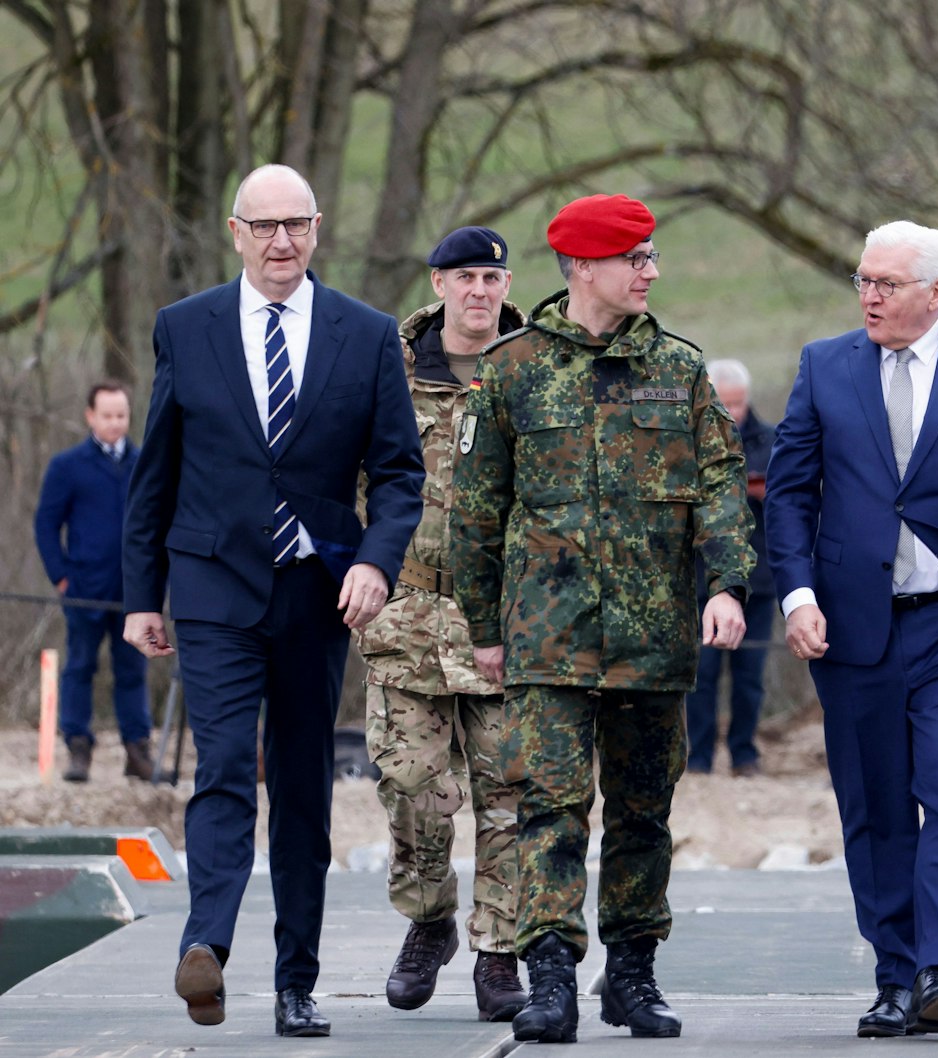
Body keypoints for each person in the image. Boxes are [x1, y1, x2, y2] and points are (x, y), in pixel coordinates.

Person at [121, 163, 425, 1037]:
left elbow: (400, 474)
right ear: (236, 232)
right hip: (214, 585)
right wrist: (145, 595)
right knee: (221, 767)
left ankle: (298, 981)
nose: (282, 241)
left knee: (303, 788)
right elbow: (157, 472)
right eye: (266, 226)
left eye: (297, 224)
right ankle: (206, 947)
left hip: (318, 591)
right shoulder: (186, 328)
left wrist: (376, 561)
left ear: (318, 228)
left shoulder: (365, 336)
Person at [452, 193, 754, 1045]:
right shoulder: (512, 370)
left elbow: (723, 488)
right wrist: (482, 629)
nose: (650, 272)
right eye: (635, 258)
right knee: (549, 810)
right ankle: (551, 977)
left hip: (653, 638)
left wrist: (728, 583)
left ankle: (632, 973)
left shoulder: (680, 371)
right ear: (585, 266)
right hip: (546, 637)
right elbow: (476, 511)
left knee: (642, 813)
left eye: (652, 257)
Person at [765, 221, 938, 1038]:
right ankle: (894, 973)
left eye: (887, 283)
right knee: (876, 803)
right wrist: (796, 596)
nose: (870, 296)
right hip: (852, 625)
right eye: (863, 280)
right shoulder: (825, 366)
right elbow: (787, 495)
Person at [358, 226, 528, 1021]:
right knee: (412, 786)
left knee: (510, 796)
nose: (479, 291)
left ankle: (499, 952)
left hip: (508, 618)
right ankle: (430, 921)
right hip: (409, 615)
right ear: (438, 285)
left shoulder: (536, 367)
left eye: (492, 277)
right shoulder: (384, 369)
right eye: (465, 276)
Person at [33, 381, 151, 782]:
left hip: (134, 592)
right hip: (84, 589)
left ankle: (137, 750)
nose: (115, 423)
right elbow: (46, 524)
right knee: (80, 666)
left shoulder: (145, 463)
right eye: (107, 416)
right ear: (90, 416)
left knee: (132, 670)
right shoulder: (68, 466)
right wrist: (61, 576)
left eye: (122, 415)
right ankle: (78, 749)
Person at [685, 357, 777, 777]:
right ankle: (699, 755)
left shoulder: (773, 441)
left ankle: (744, 753)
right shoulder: (689, 440)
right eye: (726, 404)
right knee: (701, 675)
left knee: (749, 676)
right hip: (702, 580)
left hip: (757, 579)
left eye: (739, 404)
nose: (734, 413)